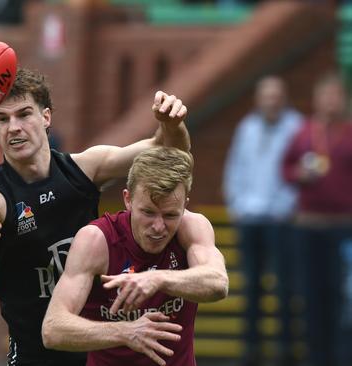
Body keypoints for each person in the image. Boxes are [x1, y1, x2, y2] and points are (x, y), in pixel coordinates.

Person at [0, 67, 191, 365]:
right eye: (2, 119)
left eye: (24, 114)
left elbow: (168, 152)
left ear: (46, 117)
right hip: (36, 355)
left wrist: (173, 124)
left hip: (100, 348)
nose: (14, 127)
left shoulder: (85, 169)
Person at [41, 146, 228, 366]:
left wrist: (157, 279)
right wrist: (125, 332)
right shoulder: (97, 240)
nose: (158, 227)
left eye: (170, 215)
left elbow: (218, 283)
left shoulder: (192, 226)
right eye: (148, 212)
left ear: (184, 205)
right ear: (127, 199)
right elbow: (53, 329)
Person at [222, 76, 302, 365]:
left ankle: (285, 351)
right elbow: (235, 168)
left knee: (285, 288)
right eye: (267, 96)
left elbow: (299, 172)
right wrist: (237, 206)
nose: (271, 101)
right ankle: (251, 352)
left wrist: (285, 208)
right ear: (259, 99)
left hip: (281, 220)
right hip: (250, 219)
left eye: (276, 95)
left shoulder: (296, 127)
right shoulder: (247, 127)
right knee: (251, 287)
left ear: (284, 97)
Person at [282, 73, 352, 366]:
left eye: (335, 95)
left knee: (341, 296)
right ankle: (315, 358)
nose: (330, 101)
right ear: (316, 99)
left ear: (344, 99)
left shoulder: (349, 131)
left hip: (343, 228)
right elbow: (285, 168)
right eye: (325, 95)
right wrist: (300, 174)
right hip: (308, 227)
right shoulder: (304, 132)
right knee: (310, 294)